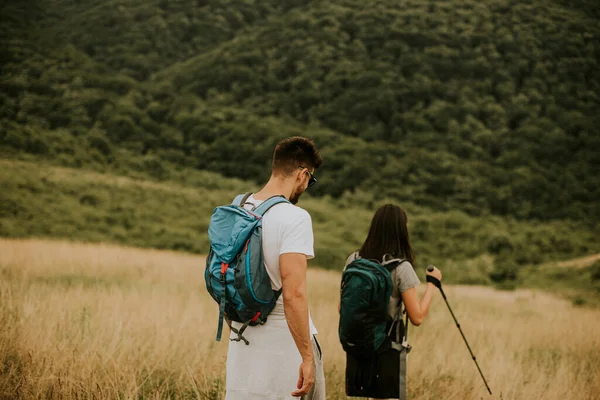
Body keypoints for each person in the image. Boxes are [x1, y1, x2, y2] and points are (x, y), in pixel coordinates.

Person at [225, 136, 325, 400]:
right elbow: (294, 294)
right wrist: (306, 357)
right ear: (303, 175)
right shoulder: (295, 217)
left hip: (241, 342)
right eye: (311, 180)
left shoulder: (238, 207)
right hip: (284, 348)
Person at [342, 204, 443, 400]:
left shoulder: (353, 260)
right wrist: (432, 285)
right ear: (401, 230)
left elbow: (342, 307)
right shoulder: (401, 267)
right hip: (387, 348)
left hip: (357, 344)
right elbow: (417, 317)